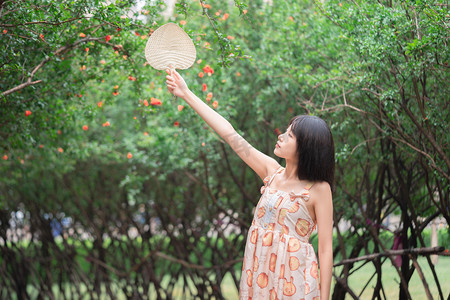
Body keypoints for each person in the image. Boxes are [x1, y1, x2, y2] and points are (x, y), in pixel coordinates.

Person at [165, 68, 334, 300]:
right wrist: (186, 93)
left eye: (290, 135)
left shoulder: (319, 189)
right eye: (284, 132)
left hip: (295, 279)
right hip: (260, 273)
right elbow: (230, 135)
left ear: (307, 147)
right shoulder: (271, 172)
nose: (281, 136)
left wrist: (325, 298)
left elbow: (325, 249)